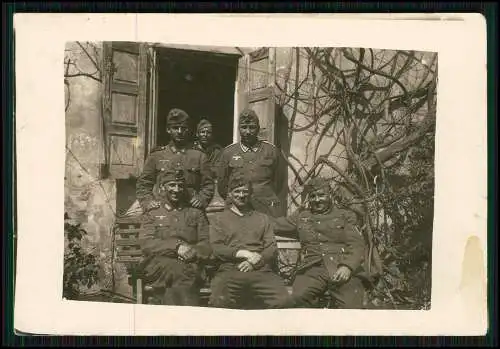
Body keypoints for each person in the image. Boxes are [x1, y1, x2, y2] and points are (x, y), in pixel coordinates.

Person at [272, 177, 367, 309]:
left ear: (330, 195)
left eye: (321, 195)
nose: (317, 200)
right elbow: (273, 225)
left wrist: (348, 266)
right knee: (297, 298)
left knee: (351, 307)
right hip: (312, 270)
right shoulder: (302, 217)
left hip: (340, 267)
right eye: (313, 196)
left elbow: (357, 245)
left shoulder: (345, 216)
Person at [207, 174, 291, 309]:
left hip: (260, 269)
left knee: (283, 300)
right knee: (219, 300)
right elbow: (216, 248)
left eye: (245, 191)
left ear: (250, 194)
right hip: (230, 269)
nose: (241, 195)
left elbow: (271, 247)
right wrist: (244, 253)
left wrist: (254, 261)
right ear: (229, 194)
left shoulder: (263, 218)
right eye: (237, 191)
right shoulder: (219, 219)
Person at [138, 168, 212, 306]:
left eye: (180, 185)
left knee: (182, 271)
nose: (176, 190)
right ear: (162, 187)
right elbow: (146, 243)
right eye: (172, 185)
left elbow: (206, 243)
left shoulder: (195, 213)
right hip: (159, 264)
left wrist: (192, 252)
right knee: (176, 270)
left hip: (190, 263)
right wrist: (176, 247)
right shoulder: (152, 213)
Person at [136, 108, 215, 213]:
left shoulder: (199, 156)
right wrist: (148, 201)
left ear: (188, 130)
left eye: (183, 128)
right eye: (175, 128)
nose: (179, 132)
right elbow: (144, 184)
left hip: (190, 210)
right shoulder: (156, 156)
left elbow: (208, 184)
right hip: (163, 212)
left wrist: (202, 199)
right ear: (168, 130)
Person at [216, 108, 285, 218]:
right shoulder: (228, 152)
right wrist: (235, 199)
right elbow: (222, 185)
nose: (248, 132)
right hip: (237, 208)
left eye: (252, 127)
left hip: (265, 208)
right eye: (244, 127)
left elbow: (279, 183)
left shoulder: (272, 151)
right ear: (239, 129)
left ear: (258, 129)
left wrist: (263, 195)